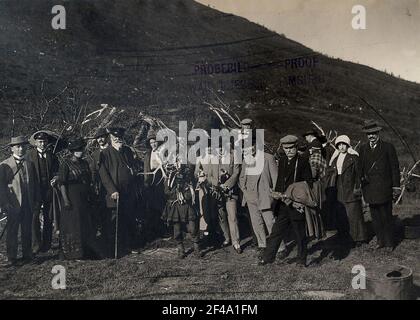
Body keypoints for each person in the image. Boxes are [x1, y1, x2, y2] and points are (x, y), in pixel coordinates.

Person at [259, 135, 313, 266]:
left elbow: (308, 183)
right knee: (276, 231)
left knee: (300, 234)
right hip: (283, 204)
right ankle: (268, 257)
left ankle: (301, 259)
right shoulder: (282, 160)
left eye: (291, 148)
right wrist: (276, 201)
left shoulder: (303, 161)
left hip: (296, 204)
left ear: (296, 147)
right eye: (286, 148)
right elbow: (279, 182)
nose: (288, 151)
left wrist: (297, 199)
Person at [356, 120, 401, 251]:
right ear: (366, 135)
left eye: (373, 133)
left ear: (378, 133)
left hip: (384, 188)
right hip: (369, 188)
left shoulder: (388, 147)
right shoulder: (363, 149)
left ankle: (389, 243)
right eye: (369, 134)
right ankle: (380, 241)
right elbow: (359, 168)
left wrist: (396, 186)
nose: (371, 136)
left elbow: (394, 168)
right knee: (375, 217)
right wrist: (361, 177)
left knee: (386, 216)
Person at [99, 127, 140, 257]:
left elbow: (132, 166)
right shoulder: (105, 154)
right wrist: (112, 190)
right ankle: (113, 249)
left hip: (128, 192)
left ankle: (128, 245)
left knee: (128, 219)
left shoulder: (127, 151)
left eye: (120, 137)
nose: (118, 140)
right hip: (114, 193)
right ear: (110, 139)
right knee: (113, 222)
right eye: (115, 138)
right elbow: (103, 174)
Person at [0, 136, 40, 267]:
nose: (21, 149)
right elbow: (1, 188)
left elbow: (34, 184)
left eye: (23, 146)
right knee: (12, 231)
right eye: (17, 146)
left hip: (27, 203)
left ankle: (27, 255)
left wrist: (35, 200)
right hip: (13, 204)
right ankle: (11, 257)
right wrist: (5, 204)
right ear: (12, 149)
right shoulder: (5, 165)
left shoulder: (29, 163)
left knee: (27, 230)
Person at [239, 140, 278, 257]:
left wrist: (274, 194)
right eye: (245, 148)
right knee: (256, 223)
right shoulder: (246, 161)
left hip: (265, 195)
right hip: (251, 196)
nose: (249, 149)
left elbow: (276, 178)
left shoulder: (268, 158)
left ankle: (279, 247)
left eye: (251, 146)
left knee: (270, 222)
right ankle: (262, 246)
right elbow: (241, 178)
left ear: (256, 146)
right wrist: (245, 192)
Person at [58, 138, 95, 260]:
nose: (80, 151)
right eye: (77, 150)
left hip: (83, 197)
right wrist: (66, 200)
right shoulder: (66, 164)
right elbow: (62, 183)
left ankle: (85, 252)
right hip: (71, 197)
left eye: (81, 149)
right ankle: (73, 254)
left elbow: (89, 180)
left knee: (84, 223)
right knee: (73, 225)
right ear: (73, 151)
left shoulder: (84, 163)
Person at [328, 135, 367, 245]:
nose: (341, 147)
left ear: (347, 145)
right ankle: (344, 236)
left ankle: (358, 237)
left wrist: (357, 187)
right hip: (339, 187)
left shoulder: (353, 157)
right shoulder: (335, 159)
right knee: (341, 212)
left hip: (350, 186)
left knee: (353, 213)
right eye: (339, 145)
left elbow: (359, 175)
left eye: (343, 144)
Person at [207, 143, 242, 253]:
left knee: (232, 216)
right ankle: (227, 238)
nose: (220, 150)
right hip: (217, 193)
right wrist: (216, 183)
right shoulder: (213, 159)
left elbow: (236, 173)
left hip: (230, 193)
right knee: (221, 217)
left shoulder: (233, 158)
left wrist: (227, 185)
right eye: (218, 147)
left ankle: (236, 242)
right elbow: (209, 176)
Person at [28, 131, 59, 254]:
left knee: (48, 217)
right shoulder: (29, 156)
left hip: (49, 191)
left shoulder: (52, 155)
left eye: (44, 142)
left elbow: (57, 171)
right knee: (34, 218)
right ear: (35, 143)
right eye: (40, 142)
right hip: (35, 192)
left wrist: (56, 178)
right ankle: (36, 245)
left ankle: (47, 244)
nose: (42, 144)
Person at [162, 165, 201, 258]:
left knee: (192, 228)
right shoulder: (169, 180)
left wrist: (184, 192)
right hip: (175, 208)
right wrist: (176, 191)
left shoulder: (188, 180)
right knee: (177, 230)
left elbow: (190, 195)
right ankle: (181, 249)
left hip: (187, 207)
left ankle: (197, 248)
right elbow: (167, 192)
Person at [143, 131, 166, 241]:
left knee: (161, 203)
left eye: (155, 142)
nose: (153, 144)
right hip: (151, 179)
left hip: (161, 179)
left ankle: (163, 230)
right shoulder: (148, 154)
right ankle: (153, 231)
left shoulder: (162, 152)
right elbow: (146, 169)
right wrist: (146, 182)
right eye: (151, 143)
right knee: (151, 205)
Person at [88, 128, 110, 248]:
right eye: (98, 138)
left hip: (114, 186)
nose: (100, 140)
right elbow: (93, 171)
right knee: (102, 211)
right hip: (101, 188)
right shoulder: (95, 154)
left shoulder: (112, 150)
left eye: (102, 137)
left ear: (107, 137)